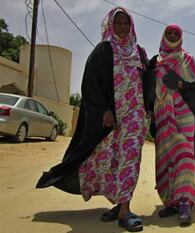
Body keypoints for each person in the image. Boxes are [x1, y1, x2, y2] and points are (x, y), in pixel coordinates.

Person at [36, 7, 147, 232]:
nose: (123, 27)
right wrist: (104, 109)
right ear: (110, 25)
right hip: (111, 121)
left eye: (127, 23)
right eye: (119, 23)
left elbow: (148, 82)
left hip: (135, 118)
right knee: (110, 162)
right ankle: (119, 203)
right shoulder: (104, 50)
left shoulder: (139, 52)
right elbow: (90, 83)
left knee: (130, 160)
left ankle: (125, 209)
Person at [146, 23, 195, 226]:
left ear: (181, 37)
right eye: (169, 33)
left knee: (184, 154)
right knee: (166, 158)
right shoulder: (155, 62)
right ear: (164, 36)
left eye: (176, 33)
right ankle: (171, 202)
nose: (172, 35)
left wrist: (180, 84)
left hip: (184, 115)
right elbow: (146, 88)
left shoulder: (188, 60)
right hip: (162, 115)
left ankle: (184, 203)